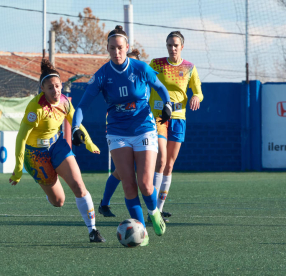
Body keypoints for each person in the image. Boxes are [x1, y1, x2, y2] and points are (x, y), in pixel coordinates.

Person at [71, 26, 172, 246]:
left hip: (144, 127)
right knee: (128, 184)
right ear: (107, 49)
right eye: (112, 48)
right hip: (117, 132)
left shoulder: (141, 68)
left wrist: (167, 105)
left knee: (146, 184)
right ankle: (141, 231)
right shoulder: (102, 75)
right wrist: (76, 127)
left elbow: (161, 88)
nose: (116, 52)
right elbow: (82, 105)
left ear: (127, 48)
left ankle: (154, 212)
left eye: (120, 47)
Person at [9, 59, 106, 243]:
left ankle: (93, 230)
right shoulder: (35, 108)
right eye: (50, 88)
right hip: (35, 155)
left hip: (57, 146)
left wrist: (89, 142)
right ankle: (50, 191)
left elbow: (76, 122)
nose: (55, 91)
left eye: (57, 86)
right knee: (58, 202)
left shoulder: (64, 102)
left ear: (62, 85)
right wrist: (19, 168)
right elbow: (21, 138)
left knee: (79, 186)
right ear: (42, 89)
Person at [148, 31, 204, 223]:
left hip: (179, 118)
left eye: (175, 45)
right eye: (169, 45)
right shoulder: (155, 64)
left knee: (170, 165)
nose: (172, 48)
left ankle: (159, 210)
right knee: (161, 160)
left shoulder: (189, 67)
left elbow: (198, 91)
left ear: (182, 47)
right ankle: (152, 208)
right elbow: (144, 82)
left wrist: (196, 96)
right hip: (159, 118)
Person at [98, 49, 141, 218]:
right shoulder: (112, 78)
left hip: (140, 130)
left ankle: (155, 207)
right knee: (123, 172)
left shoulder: (142, 79)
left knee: (128, 172)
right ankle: (105, 203)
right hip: (120, 130)